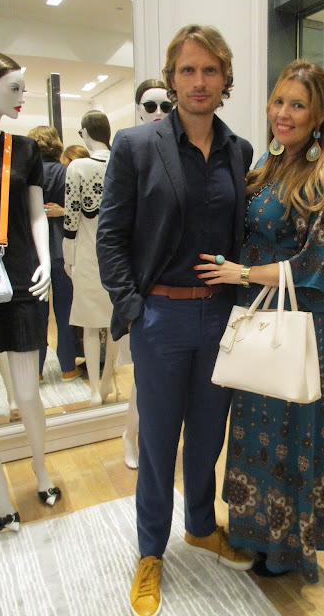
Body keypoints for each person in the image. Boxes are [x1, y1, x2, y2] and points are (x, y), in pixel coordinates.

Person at [97, 24, 254, 616]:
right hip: (160, 316)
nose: (199, 81)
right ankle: (150, 552)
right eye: (188, 70)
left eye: (210, 70)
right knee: (158, 444)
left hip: (220, 317)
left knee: (208, 438)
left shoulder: (240, 151)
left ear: (225, 79)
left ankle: (200, 525)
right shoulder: (136, 146)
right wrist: (134, 307)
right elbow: (111, 236)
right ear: (172, 78)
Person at [196, 59, 324, 582]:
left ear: (319, 115)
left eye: (297, 105)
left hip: (292, 322)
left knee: (288, 430)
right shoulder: (266, 162)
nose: (283, 113)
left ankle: (285, 546)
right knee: (254, 429)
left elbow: (320, 267)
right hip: (256, 315)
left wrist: (241, 272)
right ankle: (253, 533)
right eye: (279, 101)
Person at [0, 52, 61, 531]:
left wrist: (45, 262)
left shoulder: (24, 150)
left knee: (27, 394)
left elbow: (37, 213)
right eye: (14, 88)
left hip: (20, 278)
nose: (23, 97)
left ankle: (41, 469)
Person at [121, 77, 173, 470]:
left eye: (165, 106)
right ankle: (130, 435)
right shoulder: (130, 147)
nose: (157, 113)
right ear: (139, 108)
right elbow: (115, 230)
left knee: (160, 383)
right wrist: (127, 299)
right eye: (150, 105)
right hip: (141, 291)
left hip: (179, 290)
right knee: (144, 379)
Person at [63, 110, 117, 406]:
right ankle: (106, 380)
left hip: (87, 251)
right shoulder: (122, 161)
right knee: (115, 322)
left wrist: (67, 256)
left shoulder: (78, 167)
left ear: (85, 132)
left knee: (90, 325)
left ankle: (96, 388)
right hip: (119, 254)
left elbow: (71, 217)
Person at [26, 125, 80, 382]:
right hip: (62, 247)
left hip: (33, 249)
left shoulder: (27, 171)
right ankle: (68, 367)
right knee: (65, 309)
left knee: (36, 312)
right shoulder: (66, 171)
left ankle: (36, 370)